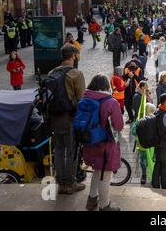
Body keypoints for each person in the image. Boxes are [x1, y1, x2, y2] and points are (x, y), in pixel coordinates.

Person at [48, 45, 86, 194]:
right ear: (73, 56)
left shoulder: (53, 72)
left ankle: (60, 182)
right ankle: (70, 183)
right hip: (69, 118)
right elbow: (81, 100)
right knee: (71, 151)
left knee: (58, 150)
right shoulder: (76, 74)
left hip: (53, 118)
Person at [83, 74, 124, 211]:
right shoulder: (111, 102)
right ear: (106, 86)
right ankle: (104, 205)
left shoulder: (85, 98)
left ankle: (92, 200)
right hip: (105, 145)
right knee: (105, 176)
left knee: (96, 170)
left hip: (89, 142)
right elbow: (118, 126)